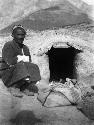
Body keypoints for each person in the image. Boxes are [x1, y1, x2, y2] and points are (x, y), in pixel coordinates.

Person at [1, 25, 41, 97]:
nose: (21, 37)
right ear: (13, 35)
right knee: (21, 65)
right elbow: (9, 61)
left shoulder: (25, 48)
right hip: (8, 73)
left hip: (19, 68)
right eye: (18, 34)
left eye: (22, 35)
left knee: (34, 66)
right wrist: (19, 58)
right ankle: (13, 87)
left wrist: (23, 60)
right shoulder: (8, 45)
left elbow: (29, 60)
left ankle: (24, 86)